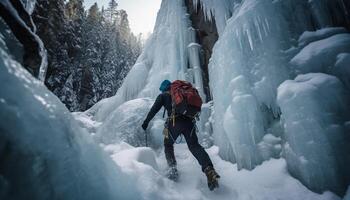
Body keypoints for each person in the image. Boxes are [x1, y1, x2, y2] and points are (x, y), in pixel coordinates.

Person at [141, 80, 220, 190]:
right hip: (189, 123)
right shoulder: (181, 94)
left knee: (168, 144)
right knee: (195, 146)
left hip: (174, 123)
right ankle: (209, 169)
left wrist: (145, 122)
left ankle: (172, 169)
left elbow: (153, 110)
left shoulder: (163, 96)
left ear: (164, 89)